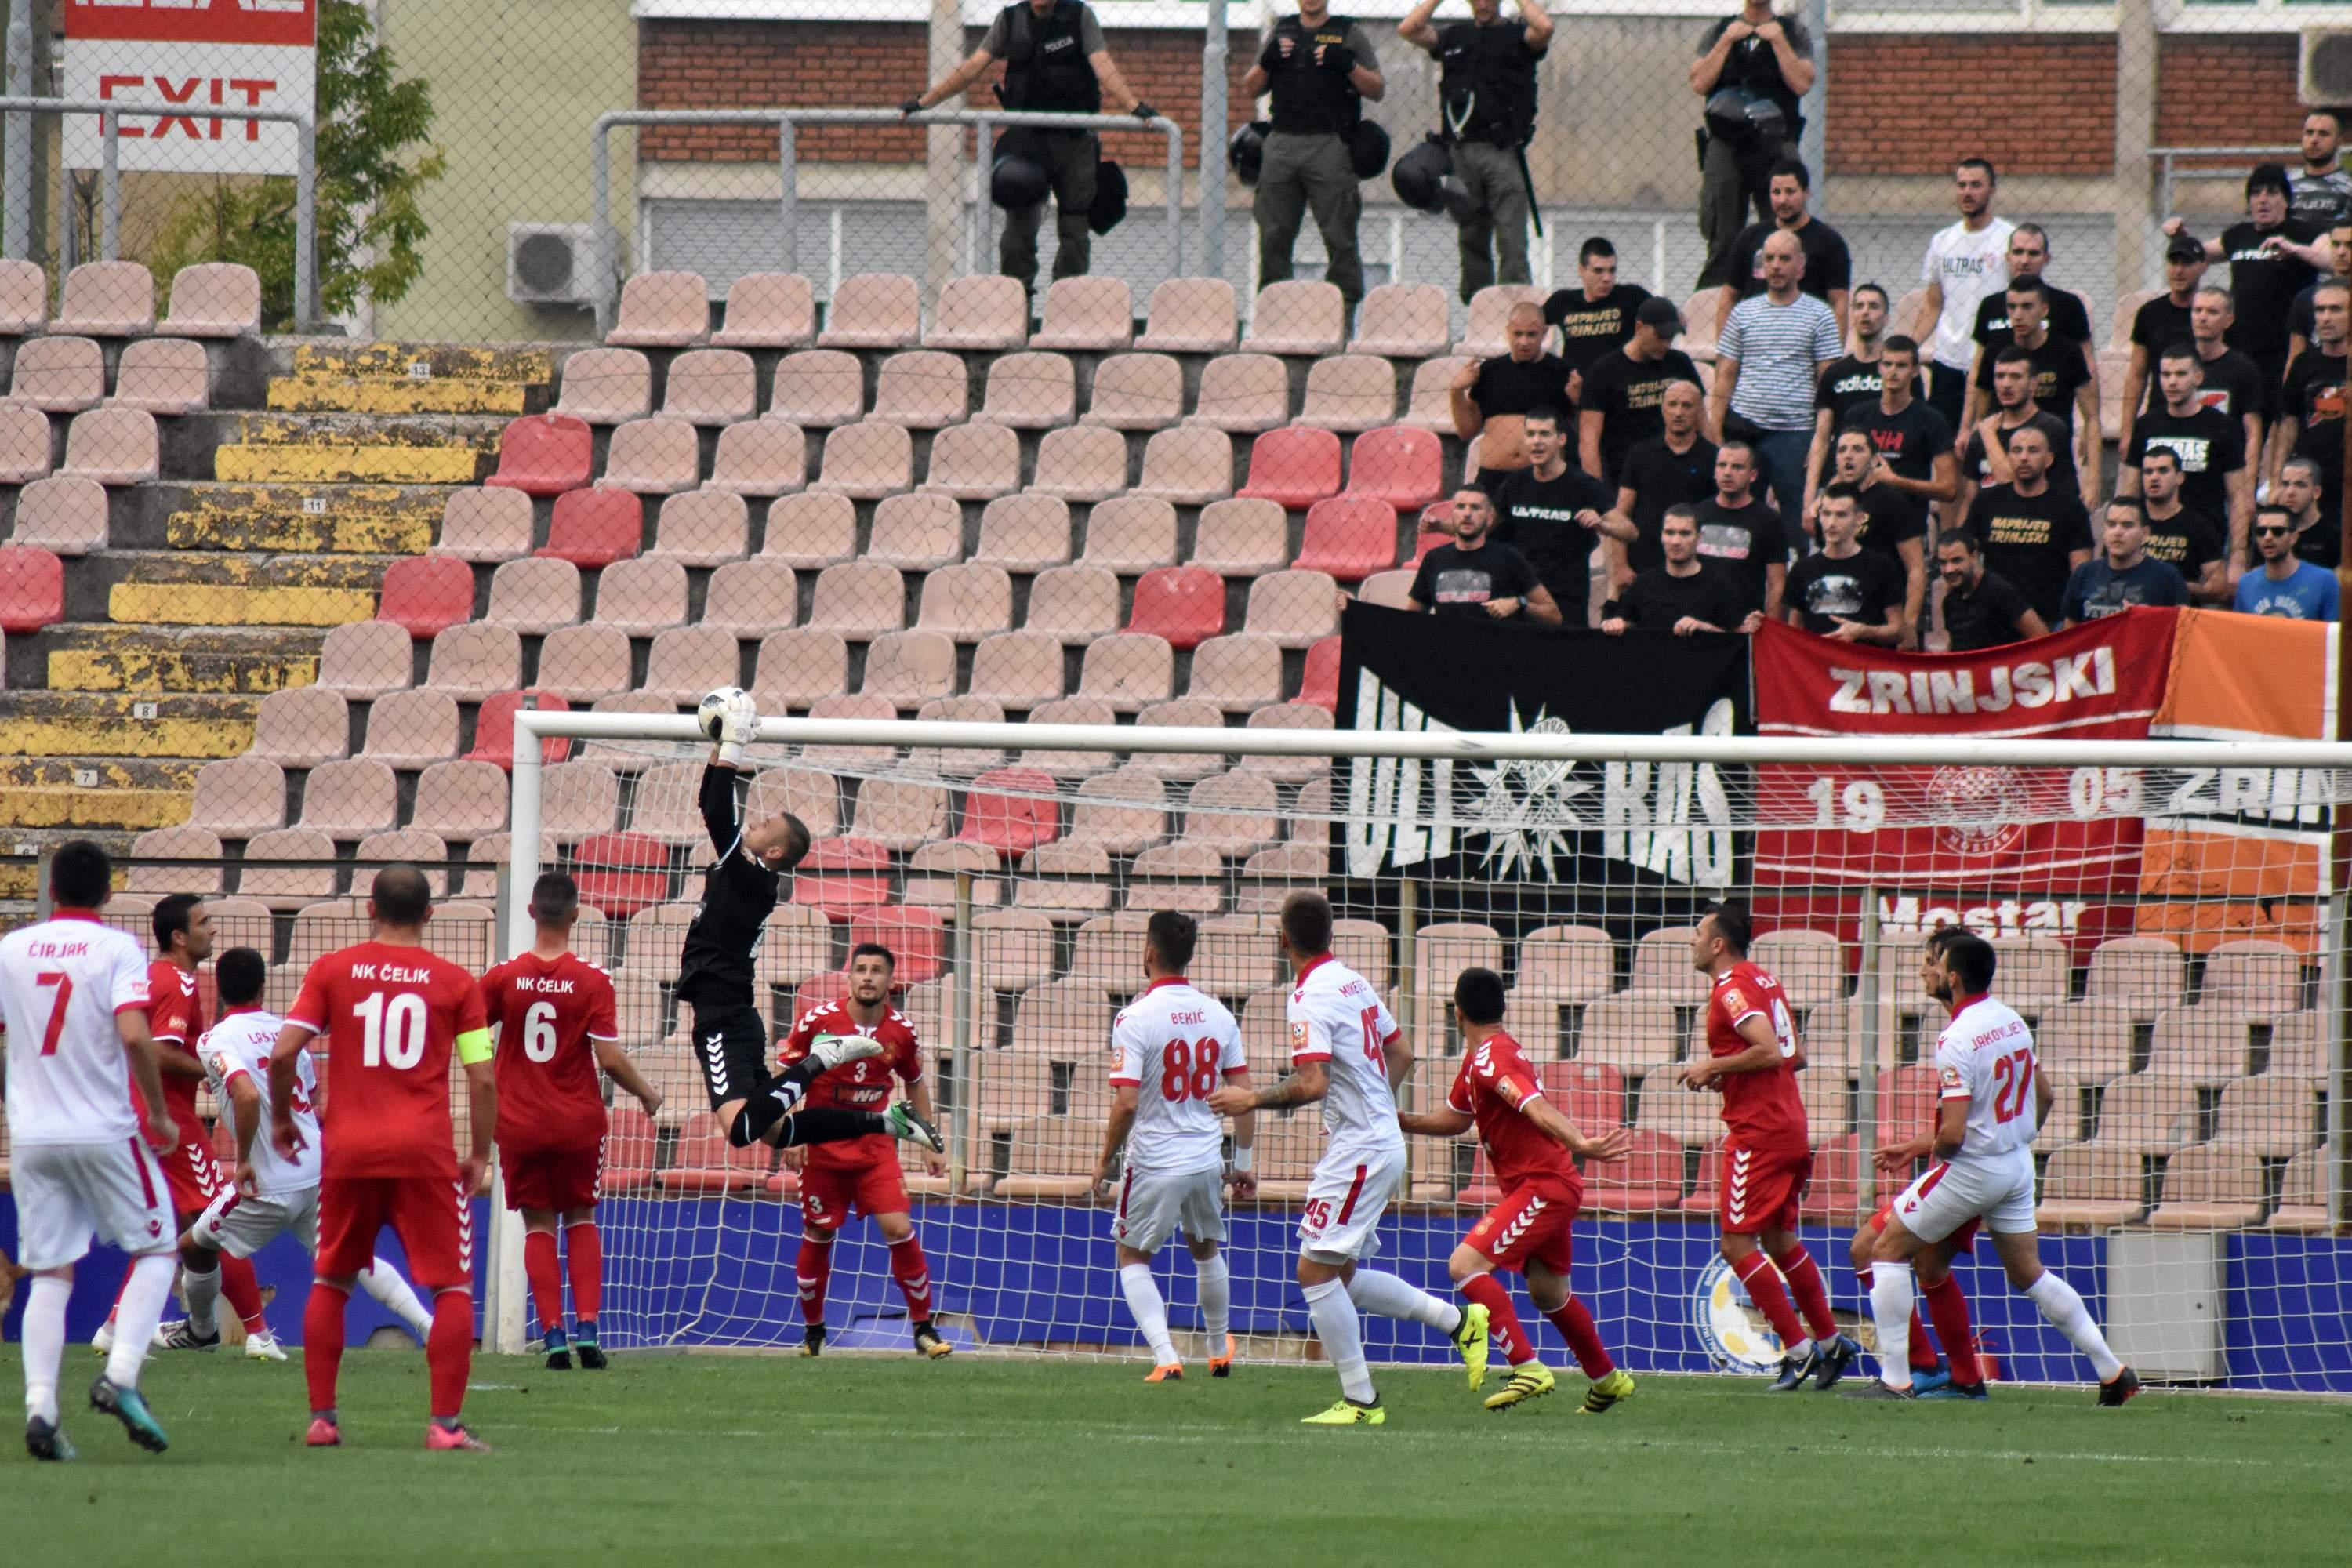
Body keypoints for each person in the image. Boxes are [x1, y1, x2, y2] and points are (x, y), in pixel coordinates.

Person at [1204, 891, 1490, 1425]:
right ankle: (1459, 1322)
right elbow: (1403, 1052)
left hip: (1361, 1148)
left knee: (1314, 1272)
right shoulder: (1353, 981)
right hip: (1373, 1142)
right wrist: (1376, 1105)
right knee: (1342, 1274)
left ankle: (1361, 1400)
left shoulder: (1309, 995)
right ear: (1330, 935)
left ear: (1282, 939)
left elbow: (1312, 1082)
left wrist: (1252, 1098)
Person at [1849, 928, 2140, 1405]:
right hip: (2016, 1165)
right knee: (2028, 1273)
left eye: (1933, 963)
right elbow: (2045, 1095)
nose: (1927, 970)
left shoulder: (1955, 1038)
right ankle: (2113, 1372)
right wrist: (2014, 1137)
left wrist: (1938, 1162)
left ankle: (1897, 1381)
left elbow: (1956, 1135)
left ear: (1954, 978)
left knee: (1882, 1250)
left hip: (1972, 1171)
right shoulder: (2011, 1022)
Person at [270, 865, 497, 1453]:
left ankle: (323, 1419)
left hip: (349, 1150)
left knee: (332, 1277)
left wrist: (279, 1119)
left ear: (369, 909)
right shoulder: (455, 983)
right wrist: (478, 1153)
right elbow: (483, 1077)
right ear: (429, 914)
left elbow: (283, 1051)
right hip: (425, 1153)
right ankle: (444, 1426)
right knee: (450, 1289)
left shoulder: (333, 970)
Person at [679, 692, 940, 1156]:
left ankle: (824, 1058)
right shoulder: (751, 876)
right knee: (779, 1131)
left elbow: (716, 810)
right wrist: (721, 746)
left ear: (775, 852)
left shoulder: (749, 874)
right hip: (736, 1012)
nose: (750, 826)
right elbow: (711, 804)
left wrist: (735, 743)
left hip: (720, 1012)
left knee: (741, 1130)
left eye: (760, 826)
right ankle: (884, 1121)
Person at [2, 840, 178, 1461]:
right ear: (109, 892)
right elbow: (134, 1032)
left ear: (52, 892)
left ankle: (42, 1413)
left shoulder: (11, 949)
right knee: (159, 1247)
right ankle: (122, 1373)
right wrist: (157, 1112)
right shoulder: (116, 948)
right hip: (104, 1128)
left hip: (32, 1135)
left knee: (50, 1274)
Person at [176, 947, 436, 1363]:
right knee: (359, 1258)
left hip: (266, 1178)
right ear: (263, 987)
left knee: (193, 1246)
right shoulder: (286, 1031)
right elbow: (309, 1096)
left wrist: (243, 1158)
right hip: (315, 1168)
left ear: (219, 995)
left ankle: (201, 1330)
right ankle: (428, 1326)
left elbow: (244, 1093)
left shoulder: (215, 1040)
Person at [1396, 967, 1635, 1414]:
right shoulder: (1480, 1060)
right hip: (1548, 1185)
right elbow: (1457, 1119)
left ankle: (1527, 1366)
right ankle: (1607, 1379)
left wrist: (1580, 1142)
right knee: (1548, 1293)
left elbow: (1536, 1107)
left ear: (1457, 1012)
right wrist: (1406, 1123)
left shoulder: (1492, 1059)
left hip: (1543, 1186)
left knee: (1464, 1265)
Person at [480, 871, 665, 1371]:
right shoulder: (592, 980)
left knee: (537, 1224)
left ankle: (554, 1336)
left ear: (531, 912)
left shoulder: (503, 977)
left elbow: (469, 1030)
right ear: (578, 915)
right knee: (581, 1215)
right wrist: (647, 1093)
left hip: (518, 1122)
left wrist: (488, 1079)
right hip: (577, 1121)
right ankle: (588, 1329)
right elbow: (608, 1059)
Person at [1675, 901, 1857, 1391]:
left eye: (1697, 933)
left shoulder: (1731, 989)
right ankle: (1831, 1343)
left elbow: (1770, 1051)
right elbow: (1792, 1058)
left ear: (1718, 944)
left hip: (1758, 1133)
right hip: (1789, 1124)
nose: (1691, 942)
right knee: (1780, 1240)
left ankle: (1797, 1352)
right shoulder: (1765, 980)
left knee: (1735, 1245)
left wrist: (1713, 1067)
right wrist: (1733, 1077)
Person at [1094, 911, 1252, 1381]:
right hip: (1206, 1158)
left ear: (1148, 952)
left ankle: (1165, 1355)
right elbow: (1244, 1095)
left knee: (1132, 1255)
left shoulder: (1135, 1017)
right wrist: (1241, 1161)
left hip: (1156, 1160)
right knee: (1205, 1249)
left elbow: (1125, 1104)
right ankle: (1219, 1347)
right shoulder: (1218, 1013)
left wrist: (1103, 1164)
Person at [905, 0, 1153, 298]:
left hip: (1075, 141)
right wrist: (924, 102)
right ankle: (1016, 307)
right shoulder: (1010, 20)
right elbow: (972, 68)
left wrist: (1132, 105)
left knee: (1075, 230)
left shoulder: (1079, 15)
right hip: (1027, 142)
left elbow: (1102, 64)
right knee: (1017, 233)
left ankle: (1067, 307)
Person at [779, 943, 953, 1362]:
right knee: (819, 1232)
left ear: (891, 981)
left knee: (897, 1228)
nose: (868, 977)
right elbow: (788, 1074)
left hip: (875, 1147)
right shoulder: (819, 1021)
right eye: (861, 969)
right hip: (822, 1145)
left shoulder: (901, 1031)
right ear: (849, 977)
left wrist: (928, 1138)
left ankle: (923, 1328)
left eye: (877, 970)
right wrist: (790, 1132)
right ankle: (813, 1330)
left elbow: (915, 1082)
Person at [117, 895, 268, 1360]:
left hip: (141, 1112)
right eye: (204, 923)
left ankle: (129, 1326)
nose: (212, 931)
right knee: (216, 1220)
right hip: (170, 1119)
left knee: (168, 1230)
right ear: (179, 937)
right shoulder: (178, 982)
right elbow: (159, 1051)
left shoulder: (156, 975)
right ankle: (259, 1335)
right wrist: (208, 1069)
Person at [1401, 0, 1552, 303]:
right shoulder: (1455, 36)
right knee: (1471, 237)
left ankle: (1515, 309)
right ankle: (1478, 308)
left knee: (1511, 239)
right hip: (1460, 151)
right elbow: (1408, 29)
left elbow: (1545, 28)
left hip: (1501, 152)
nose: (1483, 3)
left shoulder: (1516, 35)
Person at [1243, 1, 1385, 321]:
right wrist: (1267, 61)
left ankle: (1343, 313)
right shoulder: (1282, 30)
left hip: (1330, 144)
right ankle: (1273, 311)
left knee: (1340, 235)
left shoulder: (1349, 32)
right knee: (1274, 234)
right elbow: (1250, 88)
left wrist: (1347, 65)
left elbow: (1377, 89)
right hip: (1282, 141)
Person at [1711, 228, 1842, 517]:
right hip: (1744, 428)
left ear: (1801, 267)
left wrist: (1822, 440)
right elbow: (1725, 376)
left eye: (1784, 258)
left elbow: (1828, 385)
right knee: (1738, 516)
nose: (1776, 265)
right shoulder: (1743, 313)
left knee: (1798, 519)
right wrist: (1716, 433)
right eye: (1769, 258)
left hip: (1795, 434)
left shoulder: (1820, 316)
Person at [2167, 164, 2331, 392]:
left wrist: (2294, 249)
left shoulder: (2304, 233)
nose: (2263, 200)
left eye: (2272, 193)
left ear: (2286, 200)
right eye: (2256, 193)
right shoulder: (2238, 235)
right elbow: (2199, 254)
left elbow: (2331, 260)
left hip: (2285, 346)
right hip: (2241, 346)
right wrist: (2181, 237)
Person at [1690, 1, 1814, 292]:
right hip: (1726, 142)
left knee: (1782, 228)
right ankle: (1715, 303)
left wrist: (1777, 39)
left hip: (1774, 142)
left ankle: (1783, 301)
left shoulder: (1792, 31)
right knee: (1724, 234)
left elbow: (1802, 82)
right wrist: (1728, 39)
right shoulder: (1720, 30)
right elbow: (1699, 81)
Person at [1963, 279, 2097, 498]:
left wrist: (2092, 483)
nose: (2017, 315)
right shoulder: (1995, 352)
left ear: (2044, 310)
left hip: (2055, 459)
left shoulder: (2067, 351)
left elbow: (2092, 418)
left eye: (2026, 306)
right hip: (2003, 457)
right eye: (2012, 307)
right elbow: (1982, 416)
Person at [1911, 158, 2013, 433]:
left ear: (1992, 189)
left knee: (1985, 445)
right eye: (1962, 185)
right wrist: (1909, 345)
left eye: (1976, 185)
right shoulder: (1942, 241)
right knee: (1945, 447)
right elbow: (1933, 305)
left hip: (1993, 361)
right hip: (1948, 361)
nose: (1968, 192)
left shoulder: (2009, 239)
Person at [2122, 343, 2250, 561]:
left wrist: (2238, 556)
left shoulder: (2222, 427)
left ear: (2198, 377)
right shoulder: (2146, 425)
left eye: (2181, 374)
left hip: (2205, 542)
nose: (2172, 382)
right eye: (2165, 374)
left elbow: (2237, 495)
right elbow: (2131, 490)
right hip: (2153, 540)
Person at [1495, 406, 1627, 618]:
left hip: (1567, 594)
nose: (1536, 441)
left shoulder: (1583, 485)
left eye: (1544, 434)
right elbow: (1485, 524)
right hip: (1524, 592)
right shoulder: (1514, 483)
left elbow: (1629, 531)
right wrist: (1441, 526)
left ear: (1561, 439)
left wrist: (1603, 525)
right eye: (1530, 434)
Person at [1962, 422, 2093, 628]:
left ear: (2048, 459)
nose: (2024, 457)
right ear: (2009, 457)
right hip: (1995, 618)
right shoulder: (1986, 502)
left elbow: (2082, 572)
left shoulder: (2069, 506)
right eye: (2017, 450)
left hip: (2050, 619)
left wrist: (2071, 626)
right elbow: (1966, 556)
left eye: (2033, 451)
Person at [1575, 296, 1701, 485]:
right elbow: (1588, 441)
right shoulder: (1604, 371)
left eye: (1670, 338)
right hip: (1624, 472)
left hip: (1677, 466)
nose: (1666, 344)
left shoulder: (1680, 363)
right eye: (1660, 336)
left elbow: (1703, 421)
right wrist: (1596, 490)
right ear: (1639, 327)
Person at [1605, 378, 1718, 588]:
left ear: (1699, 411)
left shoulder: (1714, 458)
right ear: (1663, 408)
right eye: (1673, 404)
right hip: (1643, 566)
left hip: (1695, 569)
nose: (1678, 412)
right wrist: (1620, 565)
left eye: (1687, 405)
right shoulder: (1640, 454)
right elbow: (1622, 513)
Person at [1719, 157, 1851, 334]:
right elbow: (1729, 295)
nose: (1782, 200)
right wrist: (1723, 348)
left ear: (1806, 193)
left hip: (1804, 339)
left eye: (1790, 192)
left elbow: (1839, 302)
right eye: (1776, 192)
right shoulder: (1749, 238)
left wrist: (1833, 356)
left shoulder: (1829, 243)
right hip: (1756, 341)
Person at [1824, 424, 1926, 642]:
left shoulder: (1892, 501)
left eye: (1857, 449)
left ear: (1874, 459)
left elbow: (1916, 568)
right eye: (1842, 450)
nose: (1848, 456)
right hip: (1838, 612)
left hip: (1882, 617)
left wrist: (1908, 627)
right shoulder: (1829, 505)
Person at [1452, 302, 1576, 481]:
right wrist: (1456, 391)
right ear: (1508, 331)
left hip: (1543, 477)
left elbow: (1579, 430)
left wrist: (1580, 401)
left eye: (1531, 334)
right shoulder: (1489, 371)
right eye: (1518, 334)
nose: (1523, 342)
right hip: (1494, 477)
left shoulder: (1562, 372)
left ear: (1544, 333)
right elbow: (1467, 431)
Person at [1407, 483, 1563, 622]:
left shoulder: (1508, 557)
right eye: (1461, 507)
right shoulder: (1434, 559)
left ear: (1489, 518)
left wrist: (1519, 603)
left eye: (1475, 508)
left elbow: (1553, 615)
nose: (1467, 513)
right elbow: (1411, 618)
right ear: (1452, 515)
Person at [1957, 347, 2079, 520]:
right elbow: (1969, 499)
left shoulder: (2050, 429)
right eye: (2000, 376)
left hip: (2035, 524)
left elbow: (2011, 483)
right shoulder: (1981, 435)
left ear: (2033, 384)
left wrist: (1988, 434)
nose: (2006, 384)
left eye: (2016, 376)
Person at [2118, 234, 2212, 458]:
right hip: (2160, 413)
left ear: (2201, 267)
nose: (2179, 271)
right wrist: (2127, 431)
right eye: (2174, 263)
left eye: (2187, 263)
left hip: (2203, 413)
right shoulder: (2150, 314)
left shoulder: (2210, 313)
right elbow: (2137, 375)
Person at [1844, 336, 1958, 518]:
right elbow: (1841, 471)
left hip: (1909, 520)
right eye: (1888, 364)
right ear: (1879, 367)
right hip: (1860, 520)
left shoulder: (1930, 419)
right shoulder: (1857, 415)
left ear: (1915, 371)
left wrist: (1896, 481)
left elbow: (1949, 489)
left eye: (1901, 366)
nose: (1893, 372)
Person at [1601, 504, 1755, 636]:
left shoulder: (1718, 586)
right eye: (1670, 533)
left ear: (1699, 538)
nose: (1676, 541)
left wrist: (1705, 628)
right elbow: (1625, 623)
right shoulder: (1643, 584)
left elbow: (1735, 642)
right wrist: (1616, 625)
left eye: (1685, 533)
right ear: (1661, 536)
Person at [2271, 278, 2350, 535]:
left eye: (2336, 309)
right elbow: (2289, 422)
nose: (2325, 318)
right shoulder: (2304, 364)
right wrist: (2276, 482)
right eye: (2320, 310)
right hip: (2312, 482)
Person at [1784, 483, 1903, 644]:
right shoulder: (1802, 570)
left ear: (1859, 518)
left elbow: (1898, 630)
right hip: (1817, 666)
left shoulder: (1882, 567)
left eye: (1841, 515)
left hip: (1863, 663)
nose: (1831, 523)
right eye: (1826, 514)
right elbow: (1792, 633)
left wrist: (1863, 631)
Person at [1689, 439, 1791, 622]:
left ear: (1752, 475)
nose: (1728, 473)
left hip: (1746, 623)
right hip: (1698, 621)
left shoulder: (1768, 520)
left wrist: (1770, 628)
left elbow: (1777, 583)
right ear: (1715, 472)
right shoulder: (1697, 515)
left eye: (1737, 467)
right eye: (1722, 465)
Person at [1804, 281, 1892, 492]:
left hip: (1884, 469)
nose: (1865, 313)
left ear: (1887, 317)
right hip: (1840, 470)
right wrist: (1810, 493)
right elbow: (1822, 436)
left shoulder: (1895, 372)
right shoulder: (1835, 373)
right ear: (1851, 315)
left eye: (1873, 306)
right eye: (1859, 306)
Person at [2180, 286, 2272, 470]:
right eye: (2198, 310)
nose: (2203, 317)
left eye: (2212, 312)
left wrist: (2248, 481)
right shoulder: (2177, 366)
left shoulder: (2243, 369)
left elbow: (2253, 432)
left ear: (2228, 320)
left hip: (2225, 466)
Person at [1970, 223, 2092, 358]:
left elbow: (2088, 362)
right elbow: (1978, 364)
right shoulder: (1990, 305)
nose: (2025, 261)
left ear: (2046, 259)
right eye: (2018, 252)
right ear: (2008, 257)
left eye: (2033, 253)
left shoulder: (2069, 305)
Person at [2062, 501, 2190, 626]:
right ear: (2104, 530)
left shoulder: (2167, 576)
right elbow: (2070, 634)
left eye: (2127, 525)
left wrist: (2151, 618)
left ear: (2145, 534)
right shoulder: (2084, 573)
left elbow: (2183, 630)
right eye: (2111, 524)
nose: (2118, 532)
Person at [1543, 236, 1653, 379]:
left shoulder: (1631, 296)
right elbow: (1531, 323)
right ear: (1581, 270)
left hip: (1618, 384)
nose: (1607, 278)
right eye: (1598, 271)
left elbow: (1665, 315)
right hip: (1575, 386)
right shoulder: (1563, 300)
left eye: (1612, 271)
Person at [2132, 446, 2229, 605]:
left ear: (2180, 477)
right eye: (2148, 472)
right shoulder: (2129, 521)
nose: (2154, 477)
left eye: (2163, 471)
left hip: (2179, 614)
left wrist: (2177, 585)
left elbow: (2219, 588)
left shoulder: (2199, 525)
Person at [1935, 529, 2048, 652]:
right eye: (1943, 563)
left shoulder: (1998, 591)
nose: (1949, 569)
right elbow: (1953, 646)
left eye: (1956, 561)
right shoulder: (1950, 601)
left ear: (1974, 557)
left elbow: (2041, 637)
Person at [2234, 505, 2340, 621]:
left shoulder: (2324, 581)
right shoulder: (2246, 584)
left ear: (2294, 537)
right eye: (2261, 532)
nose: (2268, 537)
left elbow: (2333, 634)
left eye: (2277, 531)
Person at [2288, 221, 2352, 364]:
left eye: (2349, 245)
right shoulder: (2306, 298)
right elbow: (2295, 356)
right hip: (2316, 380)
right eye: (2336, 244)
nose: (2341, 252)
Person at [2291, 108, 2352, 230]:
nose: (2314, 140)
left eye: (2323, 134)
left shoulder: (2349, 186)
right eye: (2309, 133)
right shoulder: (2286, 184)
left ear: (2339, 141)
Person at [2275, 454, 2338, 569]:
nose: (2290, 492)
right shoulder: (2270, 532)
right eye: (2285, 484)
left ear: (2316, 492)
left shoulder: (2334, 536)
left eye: (2300, 485)